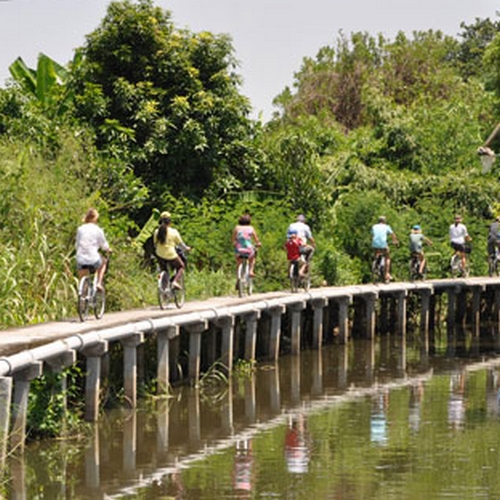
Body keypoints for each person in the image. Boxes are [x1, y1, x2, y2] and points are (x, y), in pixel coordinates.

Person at [75, 208, 112, 291]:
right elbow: (104, 245)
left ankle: (82, 295)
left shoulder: (80, 229)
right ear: (95, 218)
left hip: (80, 258)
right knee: (103, 261)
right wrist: (108, 249)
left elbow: (77, 244)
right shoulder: (98, 230)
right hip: (93, 259)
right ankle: (99, 282)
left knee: (83, 277)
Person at [154, 211, 191, 289]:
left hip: (159, 254)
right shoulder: (174, 232)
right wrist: (187, 248)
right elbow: (181, 245)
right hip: (171, 255)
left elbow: (155, 244)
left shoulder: (156, 232)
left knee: (164, 270)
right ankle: (174, 282)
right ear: (170, 221)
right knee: (181, 266)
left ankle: (164, 291)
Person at [371, 216, 398, 282]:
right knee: (387, 257)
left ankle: (375, 263)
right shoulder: (386, 226)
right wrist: (395, 241)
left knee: (376, 252)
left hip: (374, 244)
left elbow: (372, 234)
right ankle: (386, 274)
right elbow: (393, 235)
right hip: (383, 244)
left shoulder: (374, 226)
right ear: (384, 221)